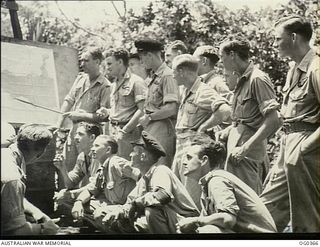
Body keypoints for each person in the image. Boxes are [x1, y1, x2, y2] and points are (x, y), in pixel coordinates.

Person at [261, 16, 320, 233]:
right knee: (265, 210)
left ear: (293, 37)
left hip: (307, 146)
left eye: (278, 39)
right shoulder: (294, 69)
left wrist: (304, 149)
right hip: (288, 144)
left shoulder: (316, 67)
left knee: (306, 218)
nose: (274, 44)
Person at [98, 131, 199, 234]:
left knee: (152, 212)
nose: (130, 154)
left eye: (133, 151)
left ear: (143, 156)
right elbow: (130, 203)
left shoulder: (160, 170)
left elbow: (162, 196)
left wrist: (137, 203)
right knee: (113, 216)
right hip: (169, 221)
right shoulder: (145, 178)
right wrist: (120, 211)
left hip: (187, 222)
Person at [216, 37, 281, 194]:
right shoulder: (242, 80)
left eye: (222, 57)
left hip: (248, 152)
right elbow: (242, 119)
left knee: (248, 199)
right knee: (236, 198)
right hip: (237, 148)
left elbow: (274, 120)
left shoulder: (257, 79)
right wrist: (228, 131)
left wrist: (245, 148)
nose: (221, 62)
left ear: (232, 55)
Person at [176, 136, 277, 233]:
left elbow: (228, 219)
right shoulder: (211, 180)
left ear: (204, 160)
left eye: (189, 158)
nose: (184, 162)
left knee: (208, 230)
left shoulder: (217, 181)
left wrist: (195, 221)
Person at [171, 54, 231, 210]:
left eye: (174, 71)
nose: (173, 75)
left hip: (192, 147)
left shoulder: (202, 91)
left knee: (192, 197)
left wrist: (203, 128)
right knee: (178, 195)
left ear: (183, 71)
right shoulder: (186, 90)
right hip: (182, 145)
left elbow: (225, 111)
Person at [56, 47, 111, 171]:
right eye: (81, 61)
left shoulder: (105, 86)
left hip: (91, 136)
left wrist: (81, 116)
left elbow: (104, 117)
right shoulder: (80, 78)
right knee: (65, 166)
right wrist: (58, 124)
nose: (82, 64)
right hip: (74, 131)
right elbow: (69, 100)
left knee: (86, 171)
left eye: (86, 61)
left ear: (97, 62)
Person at [70, 135, 139, 230]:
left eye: (97, 146)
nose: (92, 149)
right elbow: (91, 190)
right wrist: (78, 202)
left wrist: (136, 201)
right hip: (114, 205)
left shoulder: (116, 163)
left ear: (108, 150)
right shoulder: (102, 168)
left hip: (128, 209)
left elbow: (141, 176)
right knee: (77, 203)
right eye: (93, 146)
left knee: (99, 214)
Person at [1, 124, 59, 235]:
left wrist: (39, 215)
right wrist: (44, 229)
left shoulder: (6, 154)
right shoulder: (13, 177)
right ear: (41, 153)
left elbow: (12, 196)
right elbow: (15, 231)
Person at [135, 39, 180, 166]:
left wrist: (149, 117)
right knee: (148, 166)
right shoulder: (153, 76)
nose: (141, 62)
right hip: (151, 126)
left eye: (142, 58)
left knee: (159, 166)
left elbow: (171, 108)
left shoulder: (167, 75)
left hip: (163, 127)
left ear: (149, 55)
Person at [96, 49, 147, 160]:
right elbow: (120, 110)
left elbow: (142, 110)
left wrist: (125, 131)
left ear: (120, 62)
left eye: (109, 63)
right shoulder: (114, 84)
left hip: (128, 134)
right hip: (112, 130)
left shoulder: (136, 81)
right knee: (111, 166)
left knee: (125, 168)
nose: (107, 67)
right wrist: (107, 111)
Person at [53, 122, 101, 206]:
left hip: (105, 197)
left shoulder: (98, 156)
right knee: (64, 194)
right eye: (76, 134)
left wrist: (70, 195)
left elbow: (95, 187)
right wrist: (63, 169)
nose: (75, 137)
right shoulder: (82, 156)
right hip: (92, 193)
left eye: (80, 134)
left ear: (92, 138)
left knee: (66, 197)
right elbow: (70, 184)